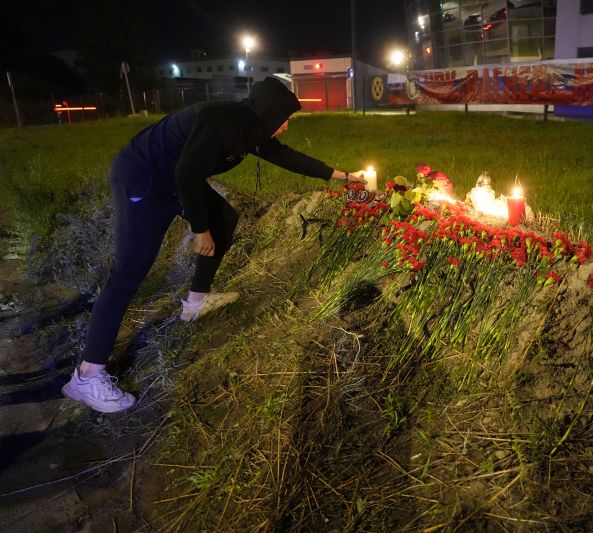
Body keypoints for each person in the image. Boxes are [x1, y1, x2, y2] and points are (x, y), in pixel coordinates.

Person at [62, 78, 366, 413]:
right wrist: (199, 229)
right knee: (128, 272)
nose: (288, 124)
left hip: (173, 178)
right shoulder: (222, 120)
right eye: (286, 116)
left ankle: (196, 301)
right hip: (143, 177)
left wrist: (343, 176)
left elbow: (286, 157)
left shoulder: (252, 129)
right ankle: (88, 376)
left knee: (225, 217)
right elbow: (187, 175)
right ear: (270, 112)